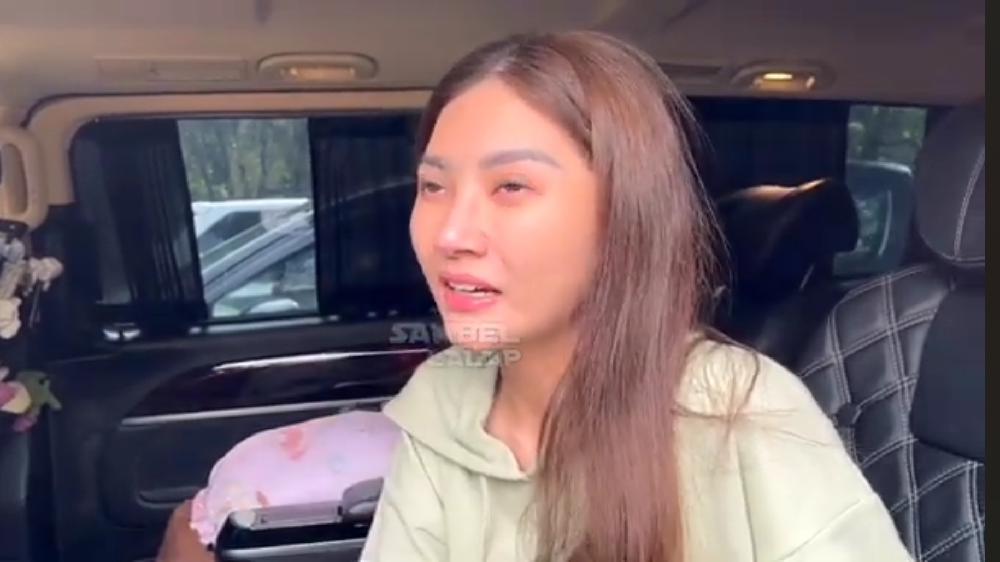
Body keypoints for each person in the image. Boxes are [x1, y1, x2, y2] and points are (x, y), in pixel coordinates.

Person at [359, 30, 914, 561]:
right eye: (433, 187)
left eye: (511, 186)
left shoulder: (737, 408)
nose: (451, 234)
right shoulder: (445, 402)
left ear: (623, 215)